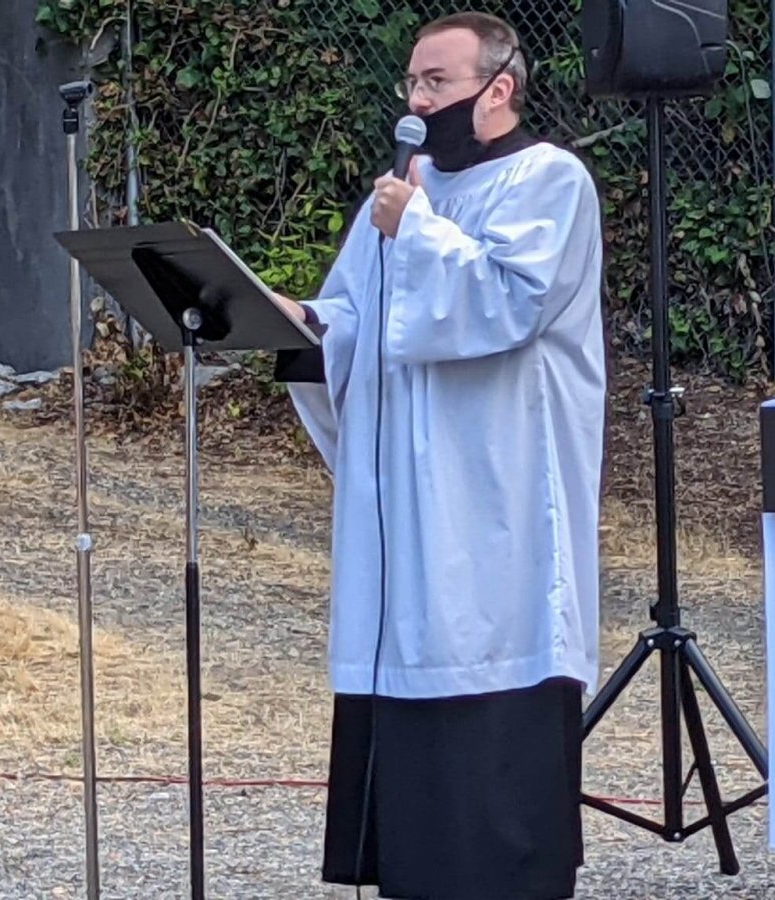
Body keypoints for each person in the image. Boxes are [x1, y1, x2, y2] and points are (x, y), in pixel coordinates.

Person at [272, 11, 607, 900]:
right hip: (404, 500)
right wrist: (296, 322)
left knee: (487, 653)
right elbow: (357, 315)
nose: (417, 102)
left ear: (499, 89)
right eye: (412, 82)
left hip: (497, 492)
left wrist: (415, 226)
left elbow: (510, 303)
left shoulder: (550, 180)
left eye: (437, 82)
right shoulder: (400, 195)